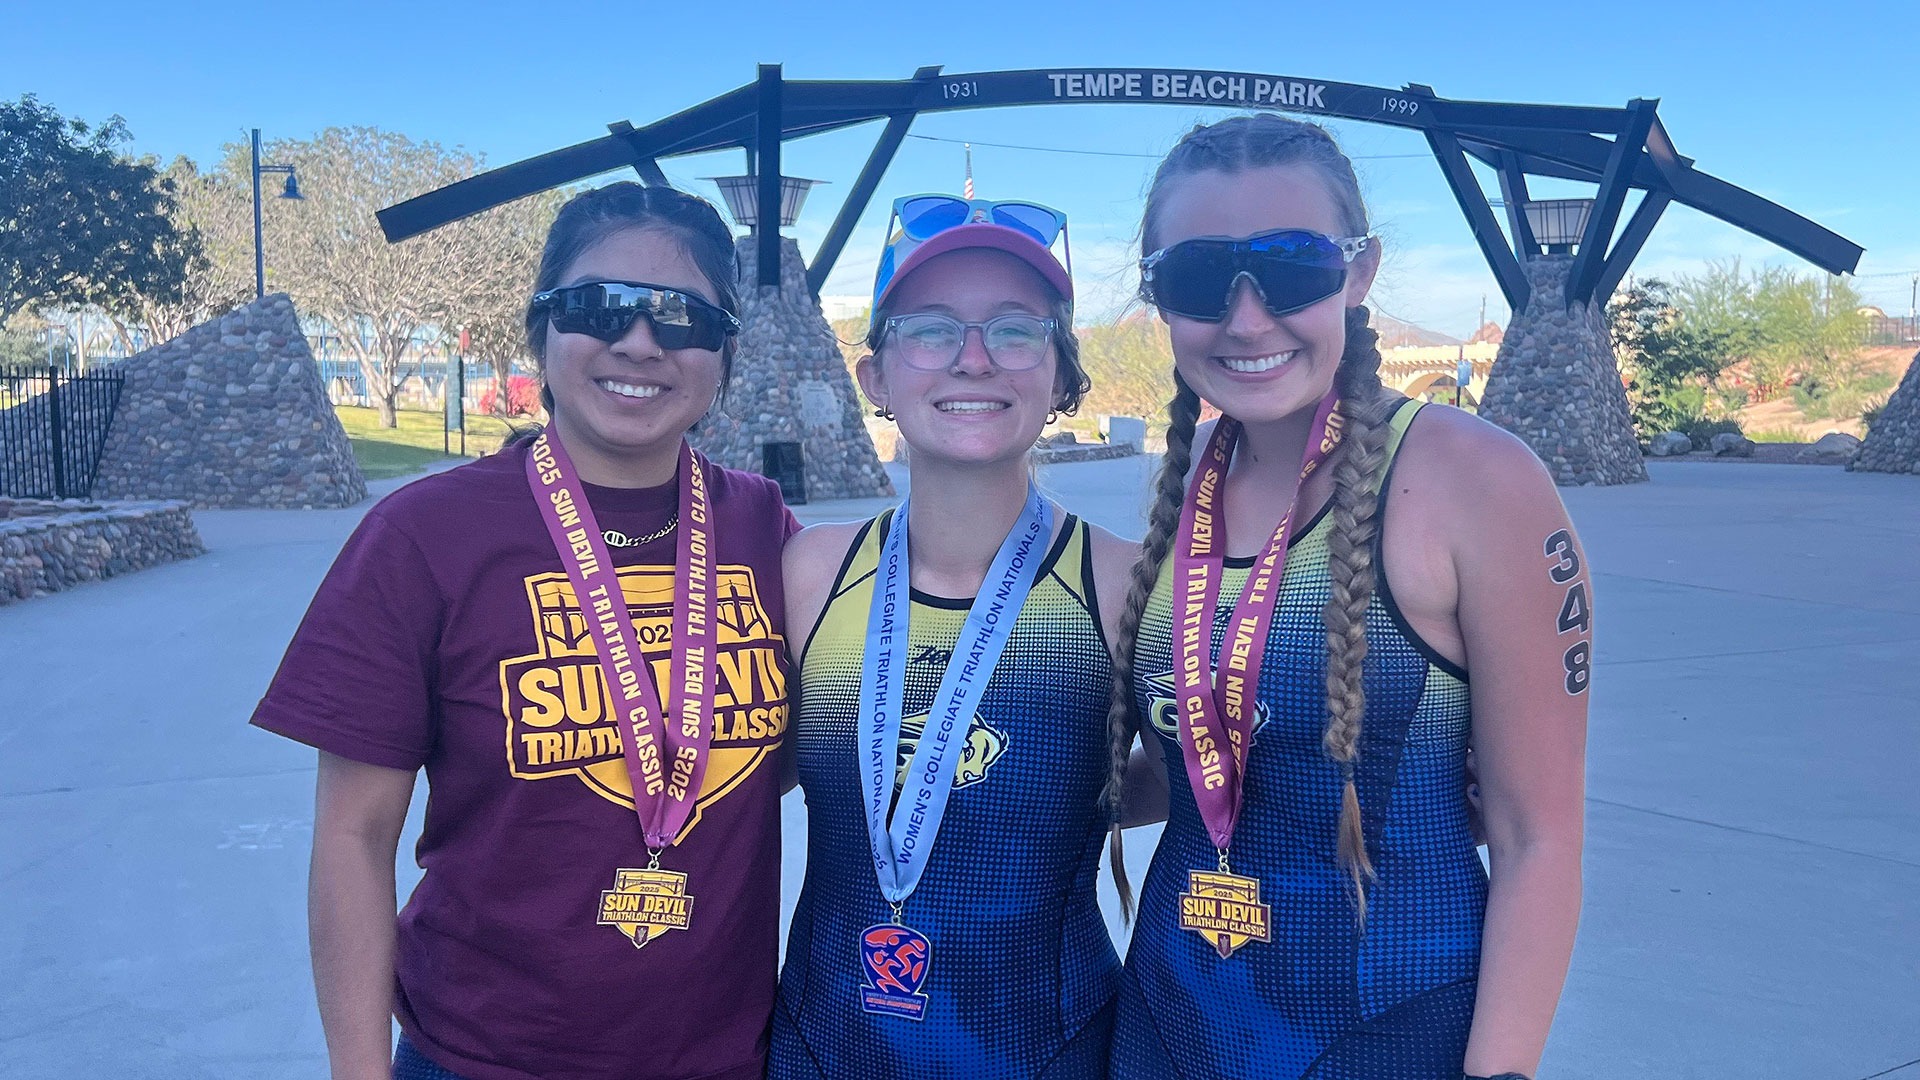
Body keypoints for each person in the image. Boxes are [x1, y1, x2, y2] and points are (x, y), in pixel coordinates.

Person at [251, 182, 798, 1080]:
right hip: (482, 1058)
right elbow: (353, 835)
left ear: (723, 355)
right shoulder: (424, 535)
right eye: (598, 307)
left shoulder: (765, 530)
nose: (638, 342)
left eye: (682, 318)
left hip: (728, 1057)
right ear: (541, 329)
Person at [1103, 115, 1588, 1080]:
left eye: (1293, 267)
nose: (1246, 319)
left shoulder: (1476, 480)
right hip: (1167, 1024)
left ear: (1358, 273)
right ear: (1159, 295)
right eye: (1200, 278)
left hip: (1388, 1032)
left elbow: (1539, 840)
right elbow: (1209, 759)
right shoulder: (1194, 475)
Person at [769, 194, 1136, 1079]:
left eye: (1015, 331)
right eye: (930, 330)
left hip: (1049, 1049)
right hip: (823, 1048)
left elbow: (1211, 786)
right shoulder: (810, 573)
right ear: (877, 380)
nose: (973, 359)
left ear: (1061, 378)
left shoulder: (1127, 586)